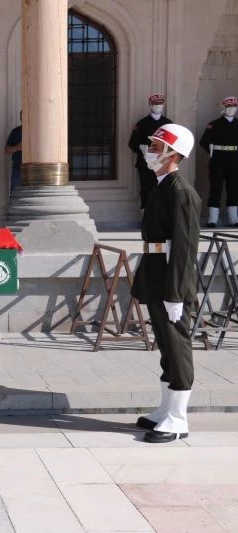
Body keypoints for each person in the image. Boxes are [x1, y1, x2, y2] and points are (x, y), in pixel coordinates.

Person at [130, 124, 200, 444]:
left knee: (177, 345)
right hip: (157, 273)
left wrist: (176, 294)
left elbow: (184, 248)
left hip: (172, 280)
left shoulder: (180, 191)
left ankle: (178, 417)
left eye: (157, 147)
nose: (150, 151)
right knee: (164, 345)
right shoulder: (161, 185)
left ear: (174, 154)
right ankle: (165, 408)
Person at [199, 96, 238, 227]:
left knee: (234, 189)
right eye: (229, 107)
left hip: (235, 159)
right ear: (223, 109)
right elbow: (204, 142)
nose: (232, 109)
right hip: (218, 160)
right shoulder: (214, 124)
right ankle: (212, 219)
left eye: (234, 107)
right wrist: (211, 151)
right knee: (215, 188)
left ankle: (234, 218)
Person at [129, 94, 173, 209]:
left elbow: (174, 144)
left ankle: (161, 216)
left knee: (163, 188)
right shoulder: (142, 123)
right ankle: (146, 216)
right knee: (146, 188)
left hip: (163, 161)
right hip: (146, 162)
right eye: (155, 104)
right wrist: (143, 147)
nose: (158, 106)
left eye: (160, 103)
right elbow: (133, 143)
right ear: (150, 105)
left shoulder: (168, 124)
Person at [4, 111, 22, 192]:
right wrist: (17, 147)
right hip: (18, 169)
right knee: (15, 194)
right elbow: (7, 150)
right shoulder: (16, 132)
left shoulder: (39, 131)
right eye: (22, 117)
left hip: (35, 170)